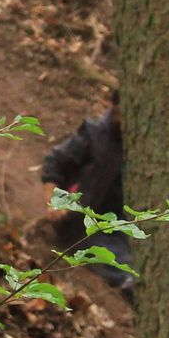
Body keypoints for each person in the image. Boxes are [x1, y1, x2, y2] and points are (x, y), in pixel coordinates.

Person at [39, 107, 135, 292]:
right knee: (115, 260)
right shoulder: (95, 134)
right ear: (116, 109)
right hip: (82, 223)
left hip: (120, 224)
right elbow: (55, 162)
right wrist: (53, 202)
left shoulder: (144, 146)